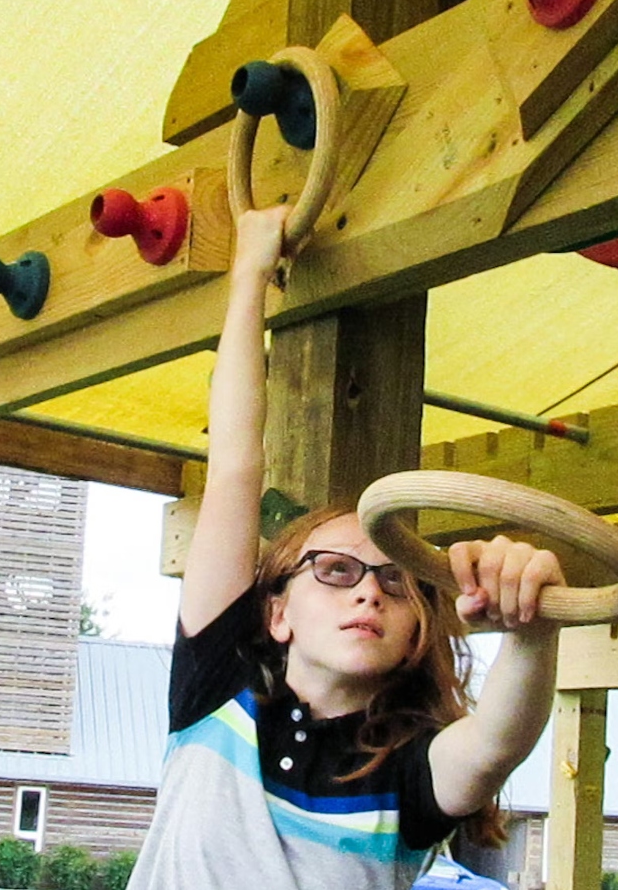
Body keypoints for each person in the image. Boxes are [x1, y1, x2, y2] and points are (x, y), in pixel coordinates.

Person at [127, 207, 564, 890]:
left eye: (397, 584)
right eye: (335, 571)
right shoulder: (216, 693)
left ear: (419, 630)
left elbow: (494, 745)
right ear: (277, 614)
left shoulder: (406, 775)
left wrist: (532, 632)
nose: (368, 591)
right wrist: (248, 272)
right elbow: (236, 463)